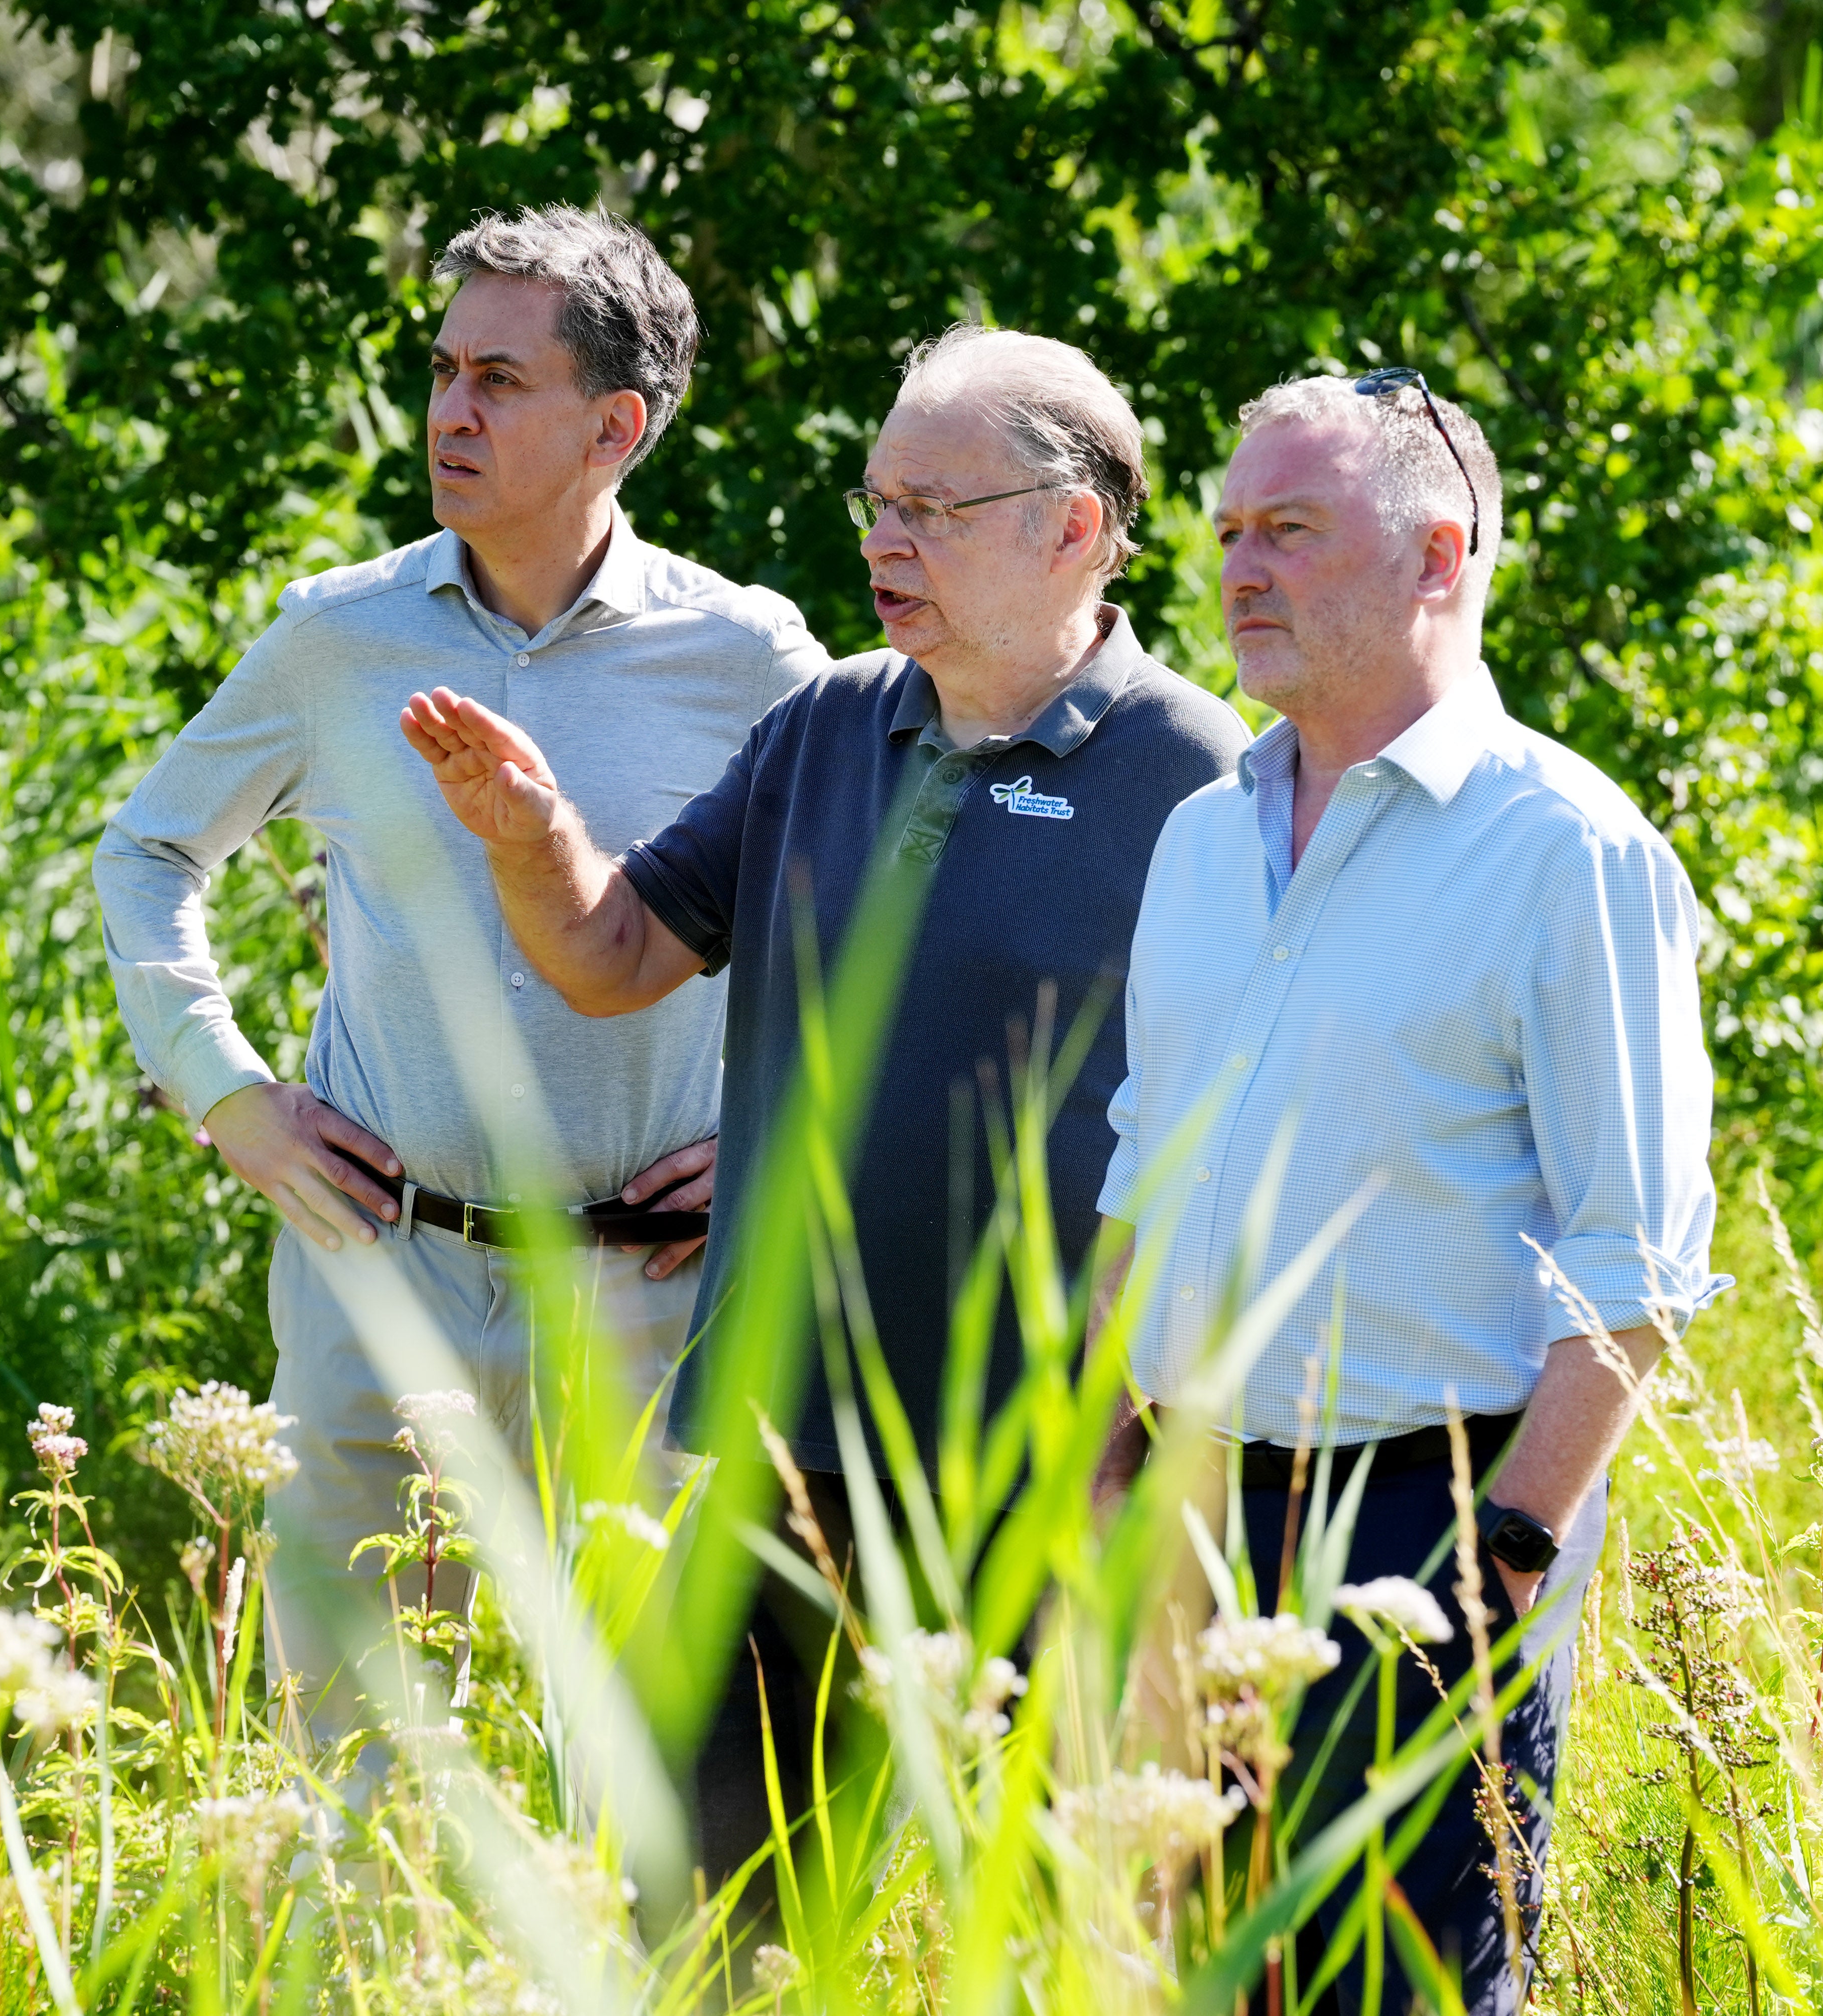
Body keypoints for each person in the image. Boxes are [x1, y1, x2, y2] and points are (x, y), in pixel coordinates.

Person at [400, 327, 1249, 1886]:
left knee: (1077, 1945)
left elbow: (1250, 1141)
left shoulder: (1198, 775)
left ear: (1075, 525)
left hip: (1048, 1486)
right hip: (773, 1467)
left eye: (933, 505)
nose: (883, 537)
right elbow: (613, 953)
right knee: (699, 1933)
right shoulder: (828, 727)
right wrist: (527, 834)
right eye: (876, 500)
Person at [95, 206, 830, 1762]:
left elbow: (888, 908)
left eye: (500, 379)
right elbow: (149, 853)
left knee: (642, 1788)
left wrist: (789, 1145)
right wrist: (230, 1098)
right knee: (351, 1784)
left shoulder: (749, 658)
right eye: (442, 371)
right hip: (380, 1275)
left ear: (615, 425)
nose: (449, 412)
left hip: (647, 1298)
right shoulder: (335, 638)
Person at [1089, 369, 1730, 2011]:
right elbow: (1143, 1170)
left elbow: (1636, 1266)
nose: (1239, 568)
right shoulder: (1199, 839)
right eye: (1230, 531)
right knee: (1190, 1982)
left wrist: (1501, 1554)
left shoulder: (1568, 849)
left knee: (1402, 1994)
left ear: (1439, 555)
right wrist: (1098, 1464)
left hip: (1426, 1533)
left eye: (1290, 530)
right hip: (1194, 1518)